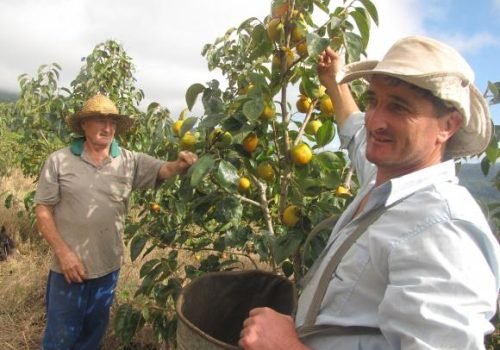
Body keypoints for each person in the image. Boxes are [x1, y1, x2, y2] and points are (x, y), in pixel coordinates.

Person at [239, 36, 500, 350]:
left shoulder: (442, 228)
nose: (375, 120)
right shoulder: (387, 182)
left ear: (448, 125)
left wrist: (286, 347)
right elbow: (356, 132)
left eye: (399, 107)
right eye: (373, 100)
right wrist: (334, 83)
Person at [34, 94, 198, 350]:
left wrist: (180, 164)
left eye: (112, 122)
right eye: (100, 121)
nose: (107, 128)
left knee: (92, 335)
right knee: (60, 337)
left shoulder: (129, 161)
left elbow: (162, 170)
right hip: (68, 269)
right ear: (84, 125)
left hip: (107, 269)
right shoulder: (60, 161)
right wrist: (63, 252)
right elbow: (43, 210)